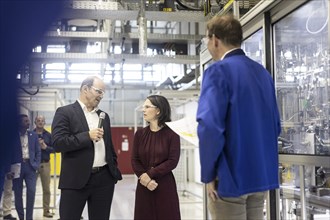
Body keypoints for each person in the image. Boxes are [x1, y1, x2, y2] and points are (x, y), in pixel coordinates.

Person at [196, 14, 281, 220]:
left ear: (215, 39)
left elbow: (209, 127)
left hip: (230, 178)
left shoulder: (217, 71)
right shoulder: (263, 73)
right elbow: (275, 125)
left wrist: (209, 175)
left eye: (207, 40)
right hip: (261, 176)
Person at [51, 76, 122, 220]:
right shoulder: (65, 112)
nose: (101, 96)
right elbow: (58, 143)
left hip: (104, 180)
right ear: (85, 89)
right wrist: (87, 136)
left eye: (103, 93)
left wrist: (112, 167)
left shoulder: (104, 116)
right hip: (75, 180)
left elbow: (108, 146)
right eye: (98, 91)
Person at [131, 95, 181, 220]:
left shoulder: (172, 134)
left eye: (147, 107)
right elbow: (135, 159)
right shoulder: (140, 134)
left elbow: (172, 161)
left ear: (158, 110)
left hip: (164, 185)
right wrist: (145, 179)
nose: (144, 110)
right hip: (144, 185)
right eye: (144, 107)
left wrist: (150, 174)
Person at [13, 114, 41, 220]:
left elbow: (38, 151)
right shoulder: (13, 136)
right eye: (26, 121)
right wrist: (9, 169)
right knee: (18, 193)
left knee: (32, 191)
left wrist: (36, 164)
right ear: (19, 123)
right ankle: (21, 217)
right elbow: (9, 152)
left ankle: (29, 218)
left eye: (28, 121)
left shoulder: (33, 135)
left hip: (30, 167)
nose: (28, 123)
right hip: (17, 167)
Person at [33, 115, 55, 218]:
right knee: (31, 189)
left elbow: (54, 149)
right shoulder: (31, 134)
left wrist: (45, 147)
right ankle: (29, 211)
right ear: (35, 122)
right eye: (38, 120)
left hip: (45, 163)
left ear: (44, 122)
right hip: (33, 165)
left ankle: (46, 211)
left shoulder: (49, 135)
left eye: (42, 120)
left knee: (46, 189)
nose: (40, 122)